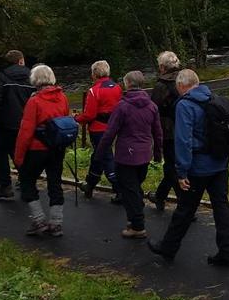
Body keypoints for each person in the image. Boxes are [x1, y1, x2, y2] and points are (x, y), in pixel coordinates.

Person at [148, 69, 229, 267]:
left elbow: (183, 141)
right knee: (222, 207)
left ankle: (168, 249)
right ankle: (228, 251)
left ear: (181, 86)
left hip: (198, 167)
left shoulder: (185, 105)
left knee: (185, 210)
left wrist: (181, 172)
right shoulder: (214, 98)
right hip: (220, 164)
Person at [95, 71, 163, 239]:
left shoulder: (122, 106)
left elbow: (110, 132)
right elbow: (158, 132)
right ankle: (134, 218)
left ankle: (138, 226)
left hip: (126, 154)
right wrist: (157, 153)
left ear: (127, 84)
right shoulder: (152, 106)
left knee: (129, 190)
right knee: (135, 187)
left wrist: (100, 152)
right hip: (144, 153)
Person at [14, 64, 70, 237]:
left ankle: (38, 220)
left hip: (37, 149)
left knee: (27, 180)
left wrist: (19, 156)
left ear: (35, 80)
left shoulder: (34, 101)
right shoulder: (62, 97)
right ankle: (56, 223)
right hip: (56, 147)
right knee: (55, 182)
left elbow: (26, 131)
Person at [0, 49, 34, 201]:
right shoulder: (32, 77)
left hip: (5, 122)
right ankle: (27, 180)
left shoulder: (1, 77)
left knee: (1, 154)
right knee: (22, 152)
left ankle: (5, 185)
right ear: (21, 61)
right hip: (27, 121)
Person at [75, 60, 123, 202]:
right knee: (98, 156)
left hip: (98, 129)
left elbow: (89, 114)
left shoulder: (94, 91)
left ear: (94, 74)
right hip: (113, 127)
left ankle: (119, 188)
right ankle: (90, 185)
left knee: (106, 157)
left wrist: (76, 119)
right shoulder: (117, 87)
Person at [145, 51, 183, 211]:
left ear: (162, 67)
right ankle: (160, 196)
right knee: (175, 164)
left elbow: (153, 108)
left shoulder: (161, 85)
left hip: (168, 131)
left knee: (171, 165)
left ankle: (185, 203)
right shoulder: (184, 79)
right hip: (186, 128)